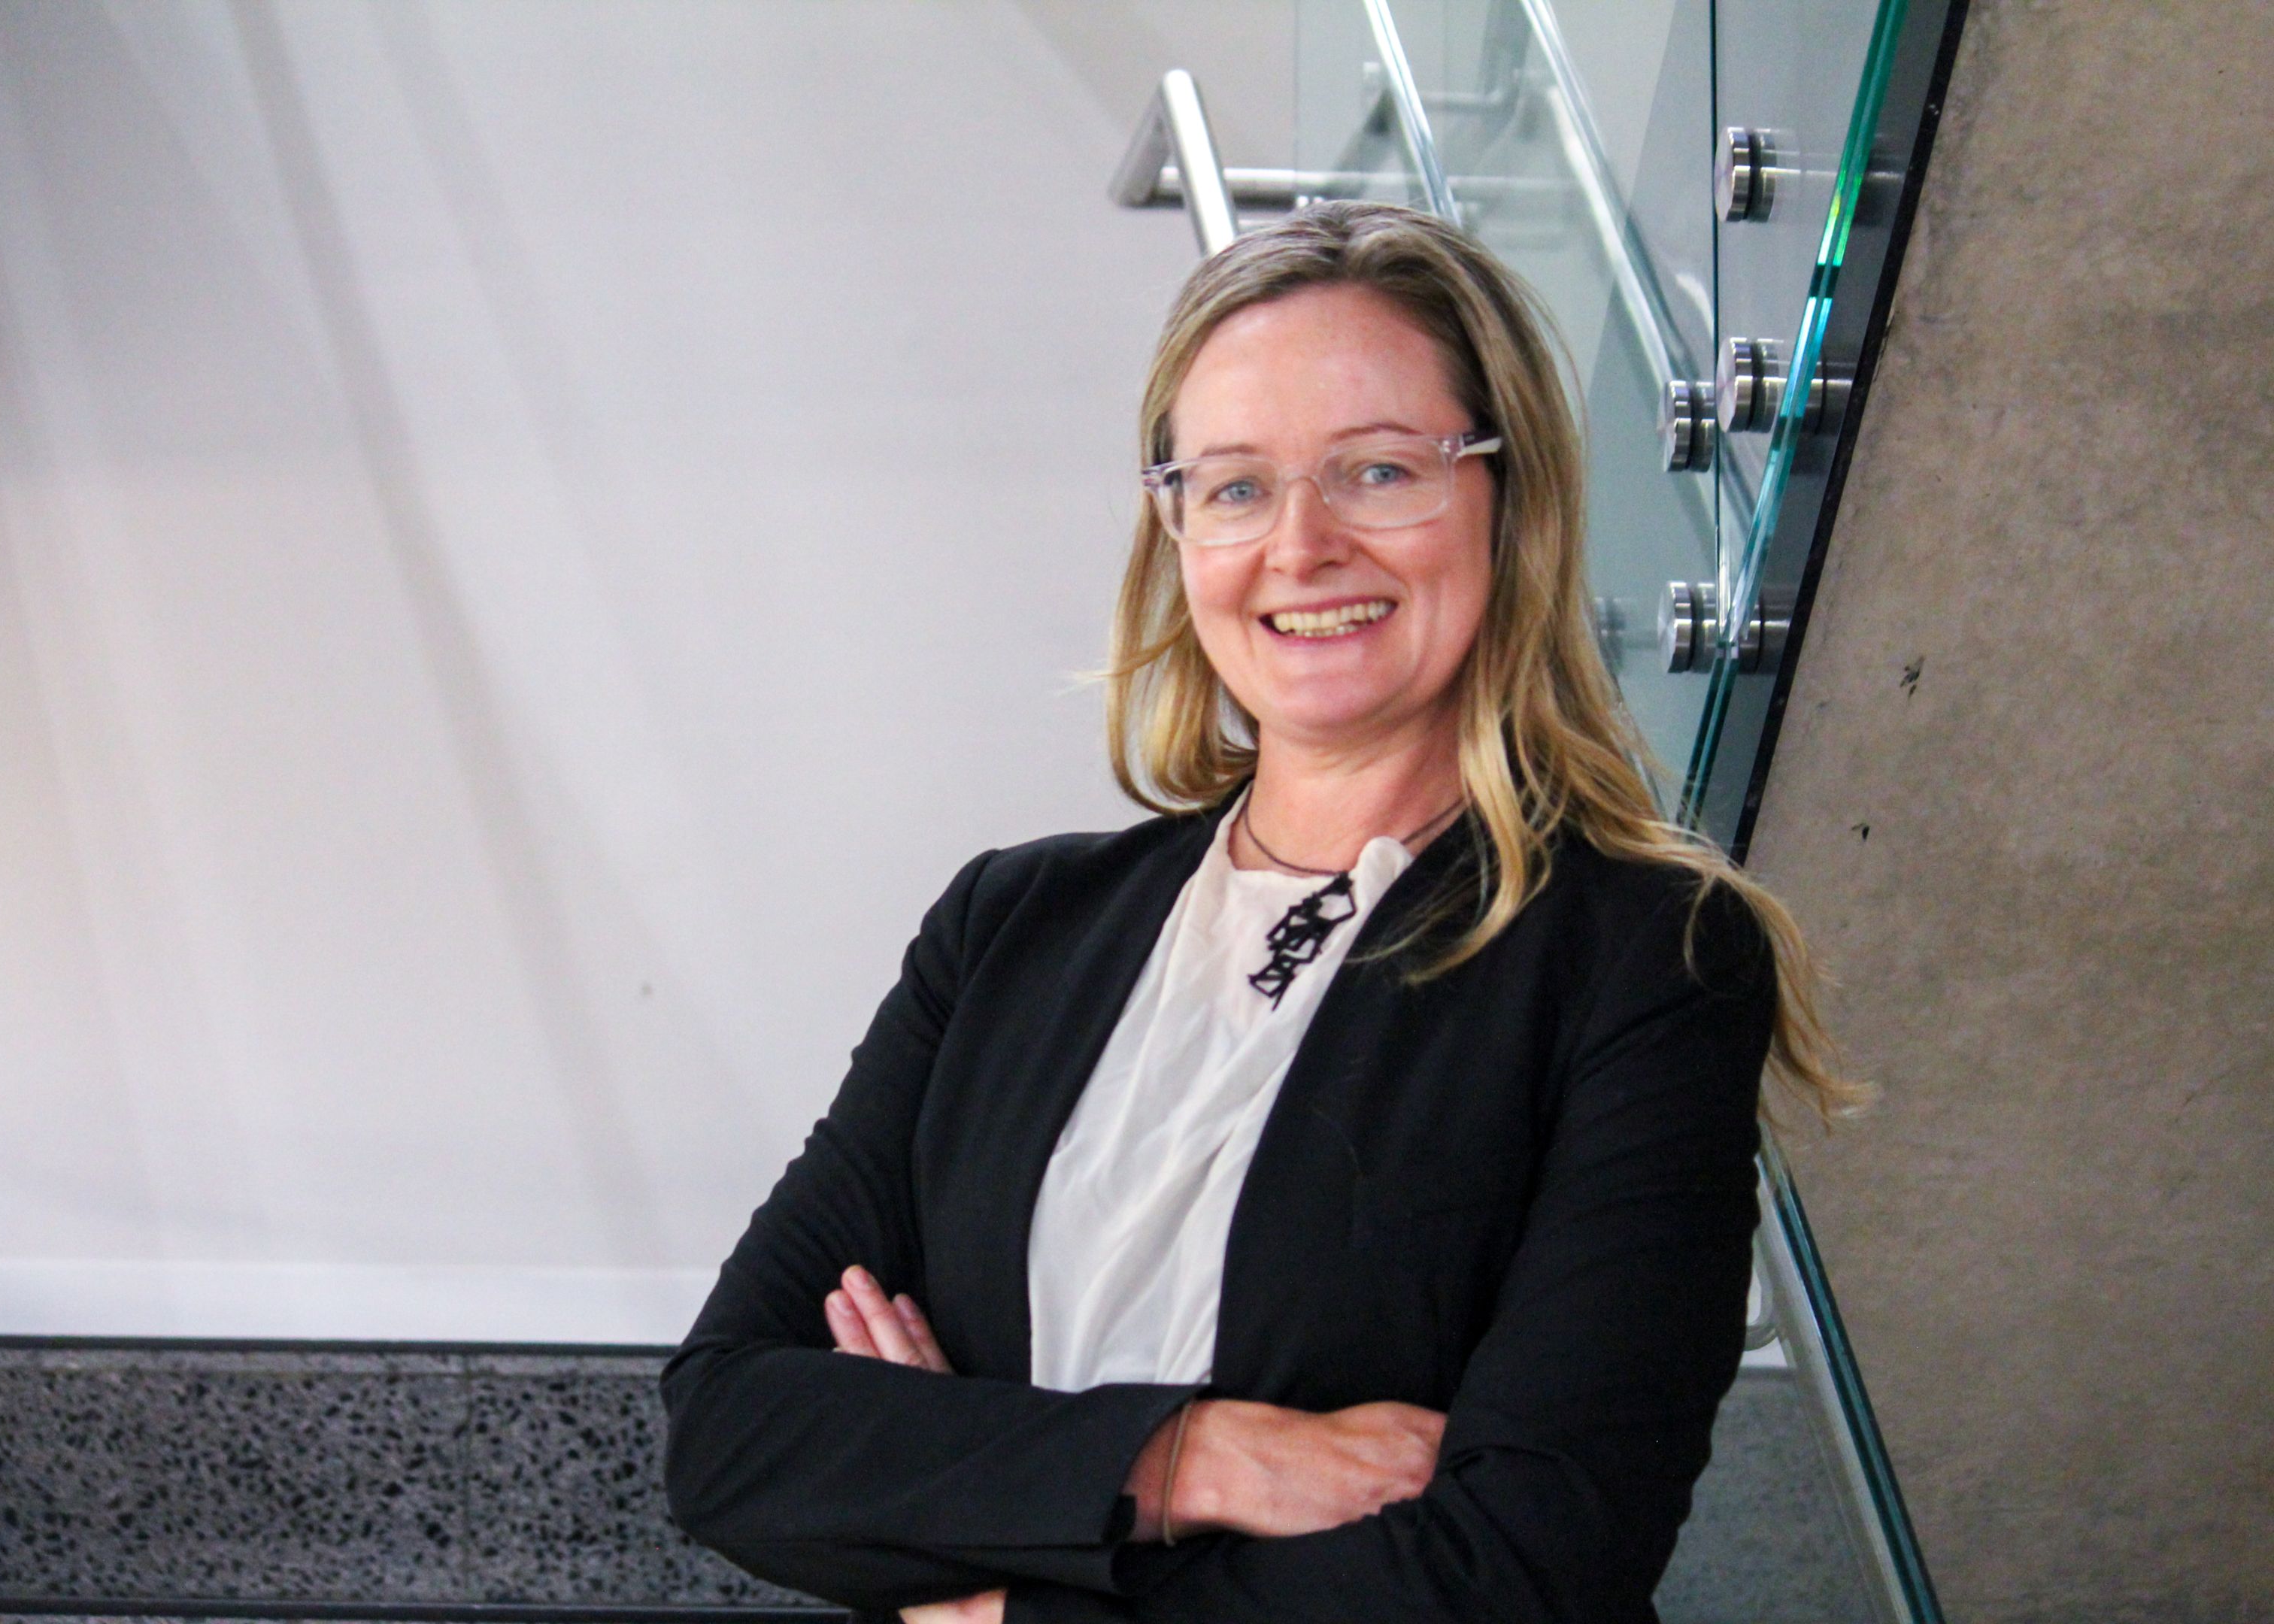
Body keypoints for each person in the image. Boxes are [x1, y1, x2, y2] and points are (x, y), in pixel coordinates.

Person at [659, 201, 1852, 1624]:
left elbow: (1527, 1561)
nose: (1301, 545)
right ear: (1176, 534)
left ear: (1510, 500)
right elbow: (731, 1431)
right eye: (1233, 487)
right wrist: (1189, 1456)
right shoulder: (1010, 927)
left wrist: (982, 1530)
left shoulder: (1644, 959)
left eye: (1380, 469)